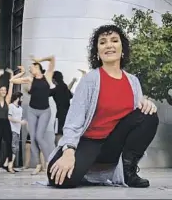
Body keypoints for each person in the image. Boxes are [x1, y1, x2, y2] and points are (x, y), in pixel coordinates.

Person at [47, 25, 159, 188]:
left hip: (113, 143)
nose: (109, 45)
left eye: (114, 41)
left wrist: (147, 104)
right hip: (88, 142)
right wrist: (69, 151)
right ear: (97, 52)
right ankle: (89, 170)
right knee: (59, 178)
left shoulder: (133, 81)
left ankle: (129, 172)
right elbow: (74, 119)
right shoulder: (90, 80)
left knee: (149, 115)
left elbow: (136, 115)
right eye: (102, 42)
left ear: (122, 49)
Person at [10, 55, 55, 175]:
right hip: (32, 110)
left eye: (31, 68)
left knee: (39, 137)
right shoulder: (30, 79)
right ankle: (38, 165)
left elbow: (52, 59)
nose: (30, 70)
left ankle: (49, 162)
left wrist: (39, 59)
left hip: (45, 110)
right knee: (33, 138)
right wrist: (22, 72)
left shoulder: (48, 76)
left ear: (37, 67)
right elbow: (12, 80)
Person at [0, 66, 25, 174]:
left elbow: (11, 86)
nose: (4, 91)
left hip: (6, 123)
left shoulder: (7, 100)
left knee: (9, 144)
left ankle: (9, 166)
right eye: (2, 90)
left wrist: (11, 76)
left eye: (4, 90)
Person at [50, 71, 77, 146]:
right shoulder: (65, 89)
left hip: (60, 116)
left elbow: (45, 93)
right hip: (69, 117)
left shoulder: (55, 90)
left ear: (54, 80)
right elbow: (69, 92)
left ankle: (57, 153)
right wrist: (73, 81)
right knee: (67, 137)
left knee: (58, 136)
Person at [8, 91, 27, 171]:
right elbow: (10, 117)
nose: (22, 100)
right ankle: (9, 165)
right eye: (21, 98)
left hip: (17, 130)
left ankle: (10, 165)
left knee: (16, 148)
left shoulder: (21, 109)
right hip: (12, 129)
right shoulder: (11, 106)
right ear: (18, 98)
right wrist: (20, 122)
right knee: (13, 148)